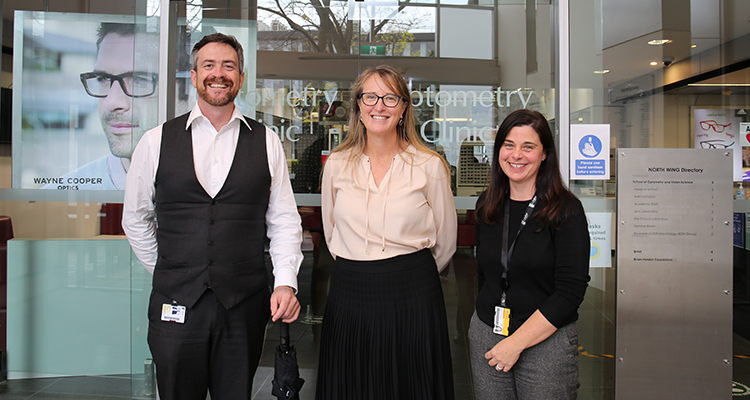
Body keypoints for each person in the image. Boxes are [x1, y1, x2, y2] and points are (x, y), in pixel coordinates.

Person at [122, 33, 303, 400]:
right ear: (193, 76)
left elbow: (283, 220)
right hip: (175, 305)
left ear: (240, 77)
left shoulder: (267, 142)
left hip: (243, 307)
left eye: (228, 66)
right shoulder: (155, 141)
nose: (218, 73)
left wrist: (285, 282)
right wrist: (171, 268)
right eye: (208, 65)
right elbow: (135, 217)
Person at [316, 64, 457, 400]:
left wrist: (406, 272)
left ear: (404, 107)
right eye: (370, 97)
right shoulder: (336, 164)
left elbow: (446, 241)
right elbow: (332, 232)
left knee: (412, 385)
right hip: (351, 291)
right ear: (358, 106)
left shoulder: (429, 166)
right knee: (352, 385)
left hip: (413, 293)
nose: (379, 106)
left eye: (390, 97)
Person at [469, 109, 590, 400]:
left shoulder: (566, 210)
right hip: (488, 333)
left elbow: (570, 292)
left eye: (528, 146)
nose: (516, 155)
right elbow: (485, 274)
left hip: (545, 340)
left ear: (545, 154)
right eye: (508, 145)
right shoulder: (488, 205)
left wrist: (516, 343)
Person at [46, 23, 188, 190]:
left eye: (140, 80)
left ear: (188, 89)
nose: (111, 102)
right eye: (103, 79)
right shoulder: (61, 195)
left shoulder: (218, 185)